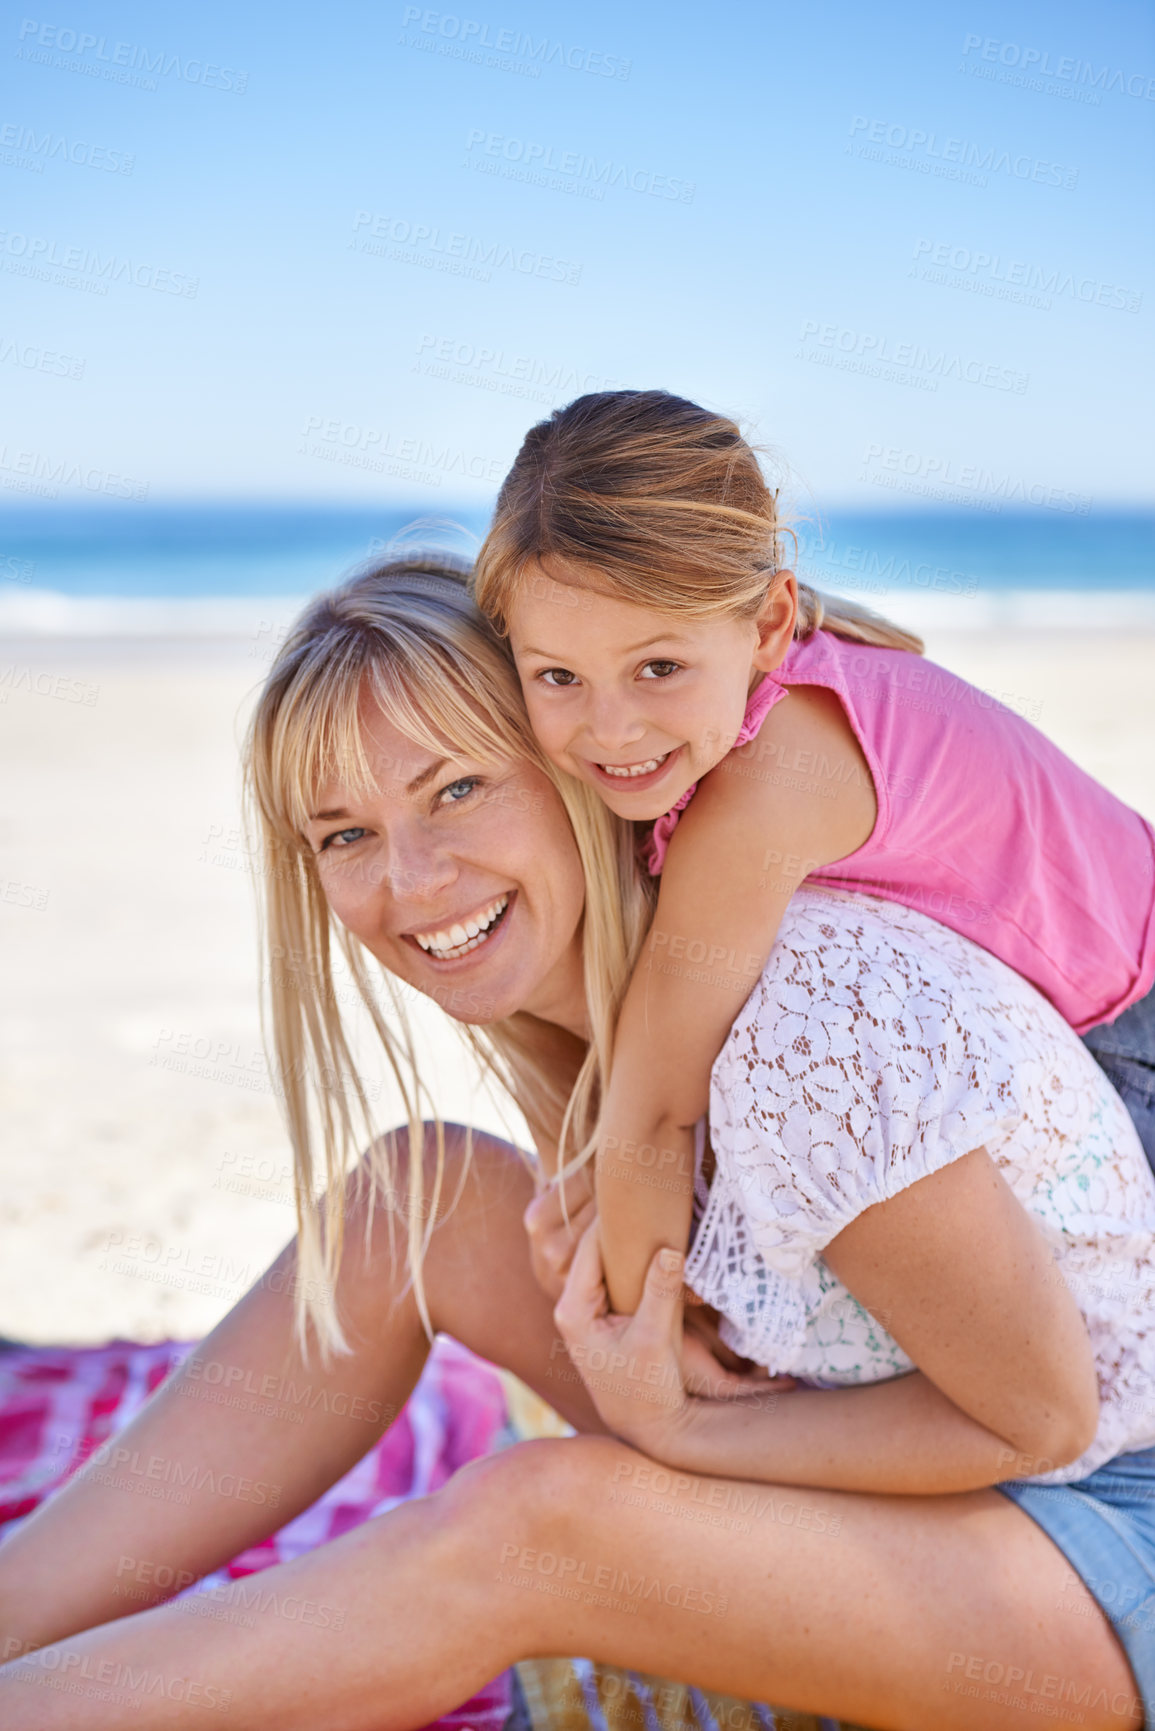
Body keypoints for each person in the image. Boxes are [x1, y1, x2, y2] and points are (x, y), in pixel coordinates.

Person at [0, 558, 1152, 1731]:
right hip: (954, 1472)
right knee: (415, 1200)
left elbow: (1045, 1421)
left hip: (1102, 1530)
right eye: (345, 834)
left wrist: (679, 1429)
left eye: (455, 790)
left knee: (537, 1526)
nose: (410, 881)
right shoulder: (632, 1050)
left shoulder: (794, 1025)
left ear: (578, 771)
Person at [472, 388, 1155, 1316]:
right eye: (558, 676)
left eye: (657, 667)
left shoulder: (768, 788)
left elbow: (653, 1105)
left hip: (1132, 1027)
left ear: (765, 624)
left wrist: (640, 1347)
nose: (610, 728)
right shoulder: (752, 695)